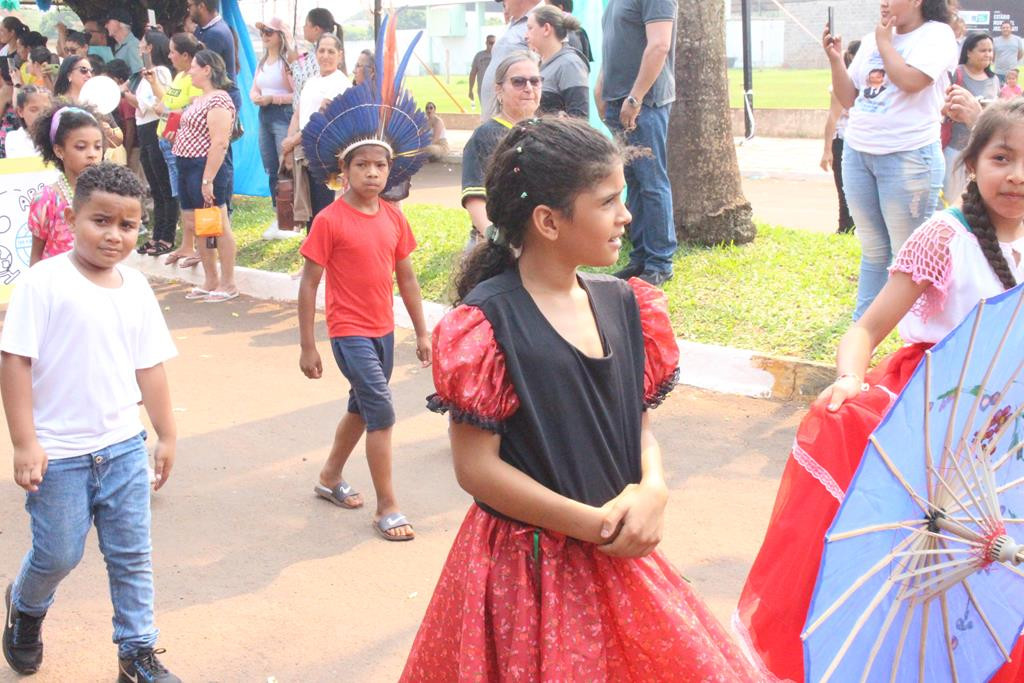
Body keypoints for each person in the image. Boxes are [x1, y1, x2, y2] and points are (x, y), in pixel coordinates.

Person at [400, 116, 761, 680]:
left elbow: (638, 425)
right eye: (608, 202)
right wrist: (596, 527)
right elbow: (476, 469)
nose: (626, 215)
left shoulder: (625, 304)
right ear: (548, 220)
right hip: (526, 571)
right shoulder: (486, 324)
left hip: (617, 555)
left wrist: (654, 489)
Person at [737, 98, 1024, 683]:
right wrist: (849, 380)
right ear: (970, 163)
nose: (1016, 175)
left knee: (986, 571)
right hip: (924, 423)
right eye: (1002, 157)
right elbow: (867, 329)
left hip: (1003, 434)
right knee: (911, 567)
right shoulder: (945, 236)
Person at [0, 162, 180, 683]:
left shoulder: (137, 289)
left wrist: (166, 433)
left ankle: (137, 653)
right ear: (74, 216)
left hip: (123, 445)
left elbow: (150, 366)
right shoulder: (43, 283)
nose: (114, 235)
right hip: (58, 453)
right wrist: (24, 442)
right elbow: (14, 361)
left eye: (127, 225)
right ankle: (26, 608)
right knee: (58, 553)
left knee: (131, 556)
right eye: (100, 221)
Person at [824, 1, 958, 320]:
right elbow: (849, 98)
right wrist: (834, 60)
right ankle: (862, 332)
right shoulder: (876, 37)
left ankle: (913, 335)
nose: (882, 2)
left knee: (908, 257)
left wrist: (885, 44)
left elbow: (912, 82)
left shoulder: (936, 35)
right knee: (872, 251)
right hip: (859, 155)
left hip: (908, 158)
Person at [598, 0, 678, 286]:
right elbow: (614, 47)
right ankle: (641, 258)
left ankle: (659, 261)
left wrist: (636, 97)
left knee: (652, 181)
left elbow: (659, 46)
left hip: (645, 102)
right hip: (619, 100)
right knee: (633, 181)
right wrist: (602, 88)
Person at [172, 49, 237, 302]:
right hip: (186, 164)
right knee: (198, 224)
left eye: (194, 67)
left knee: (216, 223)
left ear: (207, 69)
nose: (190, 71)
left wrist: (208, 178)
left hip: (204, 167)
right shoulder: (199, 99)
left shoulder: (219, 100)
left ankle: (228, 283)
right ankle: (211, 279)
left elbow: (219, 142)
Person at [462, 52, 541, 244]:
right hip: (499, 242)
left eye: (535, 81)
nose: (528, 88)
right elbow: (475, 199)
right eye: (518, 82)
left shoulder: (550, 132)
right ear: (499, 90)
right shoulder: (485, 135)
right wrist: (496, 240)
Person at [281, 33, 348, 228]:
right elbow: (297, 115)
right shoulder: (311, 82)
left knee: (322, 208)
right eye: (321, 50)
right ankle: (312, 252)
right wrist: (288, 147)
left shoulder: (339, 83)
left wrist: (293, 142)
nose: (325, 56)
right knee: (306, 208)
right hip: (303, 152)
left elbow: (322, 121)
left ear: (340, 56)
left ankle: (322, 254)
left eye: (331, 51)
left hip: (323, 154)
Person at [26, 104, 104, 264]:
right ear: (59, 151)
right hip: (55, 285)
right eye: (81, 147)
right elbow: (36, 256)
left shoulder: (107, 194)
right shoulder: (47, 198)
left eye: (98, 147)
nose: (92, 154)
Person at [152, 33, 203, 267]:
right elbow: (166, 104)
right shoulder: (179, 76)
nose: (169, 55)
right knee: (180, 195)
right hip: (167, 141)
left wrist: (166, 112)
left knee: (190, 197)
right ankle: (187, 244)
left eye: (173, 51)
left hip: (180, 143)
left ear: (185, 55)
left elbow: (191, 108)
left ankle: (198, 245)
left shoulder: (192, 79)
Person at [126, 32, 177, 257]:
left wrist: (130, 97)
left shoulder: (161, 72)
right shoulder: (143, 75)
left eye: (144, 46)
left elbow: (160, 102)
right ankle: (157, 234)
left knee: (164, 185)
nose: (141, 50)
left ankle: (167, 236)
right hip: (143, 128)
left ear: (152, 48)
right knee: (154, 187)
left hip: (156, 126)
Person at [251, 17, 296, 239]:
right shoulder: (262, 63)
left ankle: (291, 216)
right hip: (264, 115)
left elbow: (296, 94)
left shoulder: (286, 63)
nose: (265, 35)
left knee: (284, 166)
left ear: (280, 35)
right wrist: (258, 97)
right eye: (263, 32)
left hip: (282, 115)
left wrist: (272, 99)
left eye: (270, 31)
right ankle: (278, 213)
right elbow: (253, 88)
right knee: (270, 166)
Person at [943, 32, 1000, 203]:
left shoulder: (994, 80)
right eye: (983, 50)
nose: (988, 55)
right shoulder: (956, 74)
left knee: (979, 197)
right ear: (968, 52)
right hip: (955, 146)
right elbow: (940, 103)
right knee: (953, 196)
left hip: (981, 147)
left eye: (990, 51)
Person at [821, 40, 861, 234]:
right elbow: (832, 118)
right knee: (845, 191)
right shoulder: (841, 83)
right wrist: (827, 150)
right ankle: (845, 228)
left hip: (859, 141)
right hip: (842, 141)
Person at [479, 0, 543, 120]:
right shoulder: (515, 23)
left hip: (516, 124)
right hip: (497, 120)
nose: (503, 3)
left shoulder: (542, 20)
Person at [527, 5, 589, 118]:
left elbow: (579, 118)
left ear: (546, 29)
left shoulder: (570, 64)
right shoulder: (538, 63)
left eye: (530, 28)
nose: (526, 35)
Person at [189, 0, 240, 110]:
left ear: (202, 6)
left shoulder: (216, 33)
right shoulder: (201, 29)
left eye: (190, 5)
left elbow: (204, 70)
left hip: (221, 102)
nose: (188, 10)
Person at [1, 85, 49, 159]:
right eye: (34, 110)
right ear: (20, 112)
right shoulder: (13, 138)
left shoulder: (57, 137)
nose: (41, 114)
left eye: (46, 110)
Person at [105, 9, 143, 76]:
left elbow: (139, 75)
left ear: (118, 23)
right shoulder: (119, 46)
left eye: (108, 22)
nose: (106, 26)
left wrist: (125, 86)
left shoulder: (133, 45)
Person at [993, 20, 1024, 86]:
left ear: (1011, 29)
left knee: (1011, 92)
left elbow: (1020, 54)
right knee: (999, 92)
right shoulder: (995, 40)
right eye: (1003, 28)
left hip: (1012, 72)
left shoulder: (1017, 40)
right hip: (998, 72)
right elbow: (993, 55)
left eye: (1007, 27)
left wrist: (1013, 61)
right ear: (1001, 29)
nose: (1005, 29)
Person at [467, 34, 494, 107]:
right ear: (486, 43)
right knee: (485, 110)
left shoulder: (498, 55)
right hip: (483, 89)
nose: (492, 45)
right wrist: (470, 90)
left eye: (494, 43)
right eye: (491, 43)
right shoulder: (479, 56)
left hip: (495, 89)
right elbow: (473, 73)